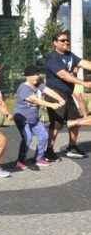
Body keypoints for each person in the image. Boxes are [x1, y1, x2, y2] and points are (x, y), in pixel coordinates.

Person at [44, 30, 91, 160]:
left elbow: (84, 63)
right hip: (54, 94)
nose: (66, 42)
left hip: (67, 93)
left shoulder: (70, 55)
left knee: (75, 120)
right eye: (62, 40)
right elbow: (63, 75)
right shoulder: (52, 57)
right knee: (57, 123)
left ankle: (72, 147)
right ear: (55, 43)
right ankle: (48, 151)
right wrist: (84, 83)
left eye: (67, 40)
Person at [14, 66, 65, 170]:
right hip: (22, 119)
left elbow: (49, 91)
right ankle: (20, 161)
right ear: (28, 76)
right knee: (27, 138)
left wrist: (60, 99)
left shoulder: (38, 85)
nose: (37, 76)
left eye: (38, 74)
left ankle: (39, 158)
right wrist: (51, 105)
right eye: (35, 74)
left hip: (34, 119)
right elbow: (34, 100)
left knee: (44, 136)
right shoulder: (23, 87)